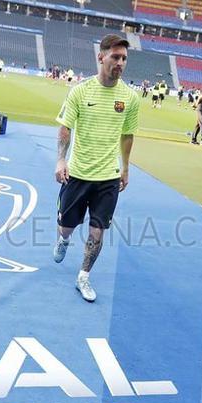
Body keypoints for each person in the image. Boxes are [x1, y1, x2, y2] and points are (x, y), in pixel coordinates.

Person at [53, 34, 139, 303]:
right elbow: (65, 128)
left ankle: (83, 276)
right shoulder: (80, 90)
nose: (120, 63)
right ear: (101, 57)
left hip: (108, 179)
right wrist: (60, 160)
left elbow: (127, 135)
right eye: (115, 56)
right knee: (66, 226)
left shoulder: (130, 97)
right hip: (77, 174)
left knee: (97, 232)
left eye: (124, 58)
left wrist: (125, 168)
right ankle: (64, 240)